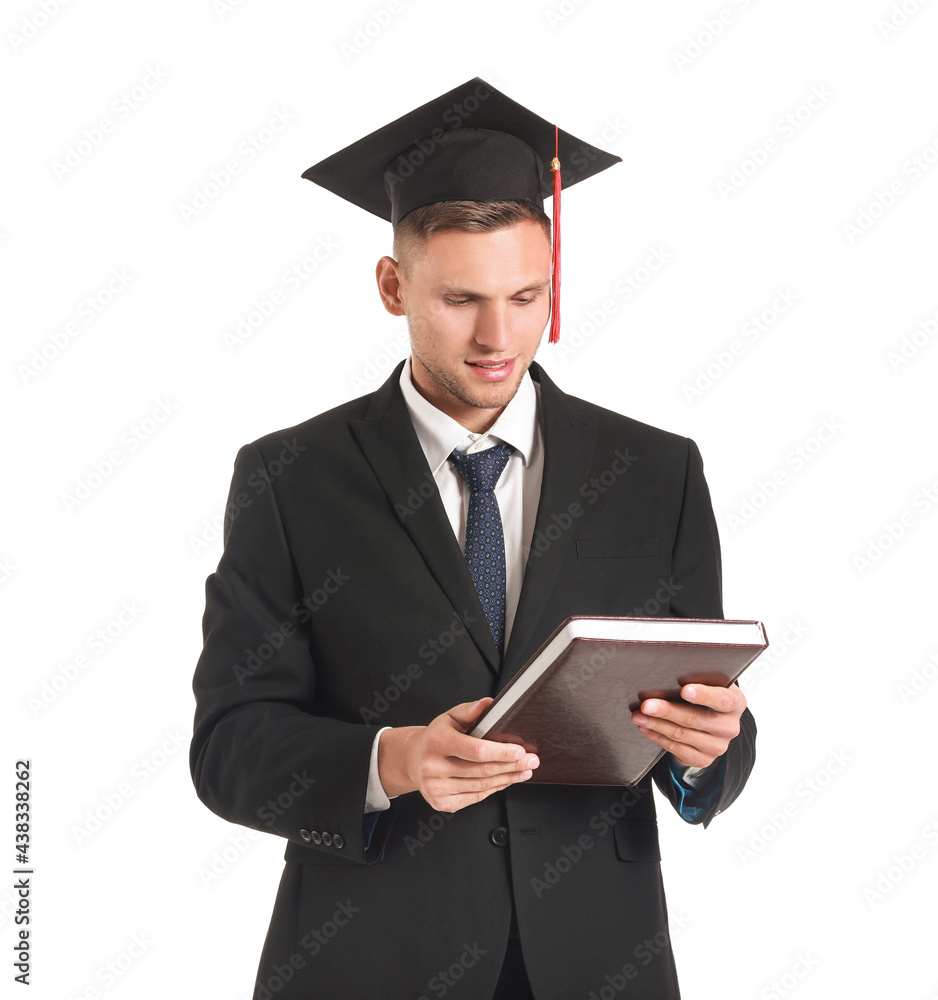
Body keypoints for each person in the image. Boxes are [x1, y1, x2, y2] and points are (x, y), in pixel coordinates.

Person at [189, 78, 756, 1000]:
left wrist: (710, 749)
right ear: (392, 285)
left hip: (599, 959)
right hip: (367, 961)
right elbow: (229, 748)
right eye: (461, 300)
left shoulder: (659, 472)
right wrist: (393, 761)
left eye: (527, 295)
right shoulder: (288, 479)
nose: (500, 337)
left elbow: (712, 730)